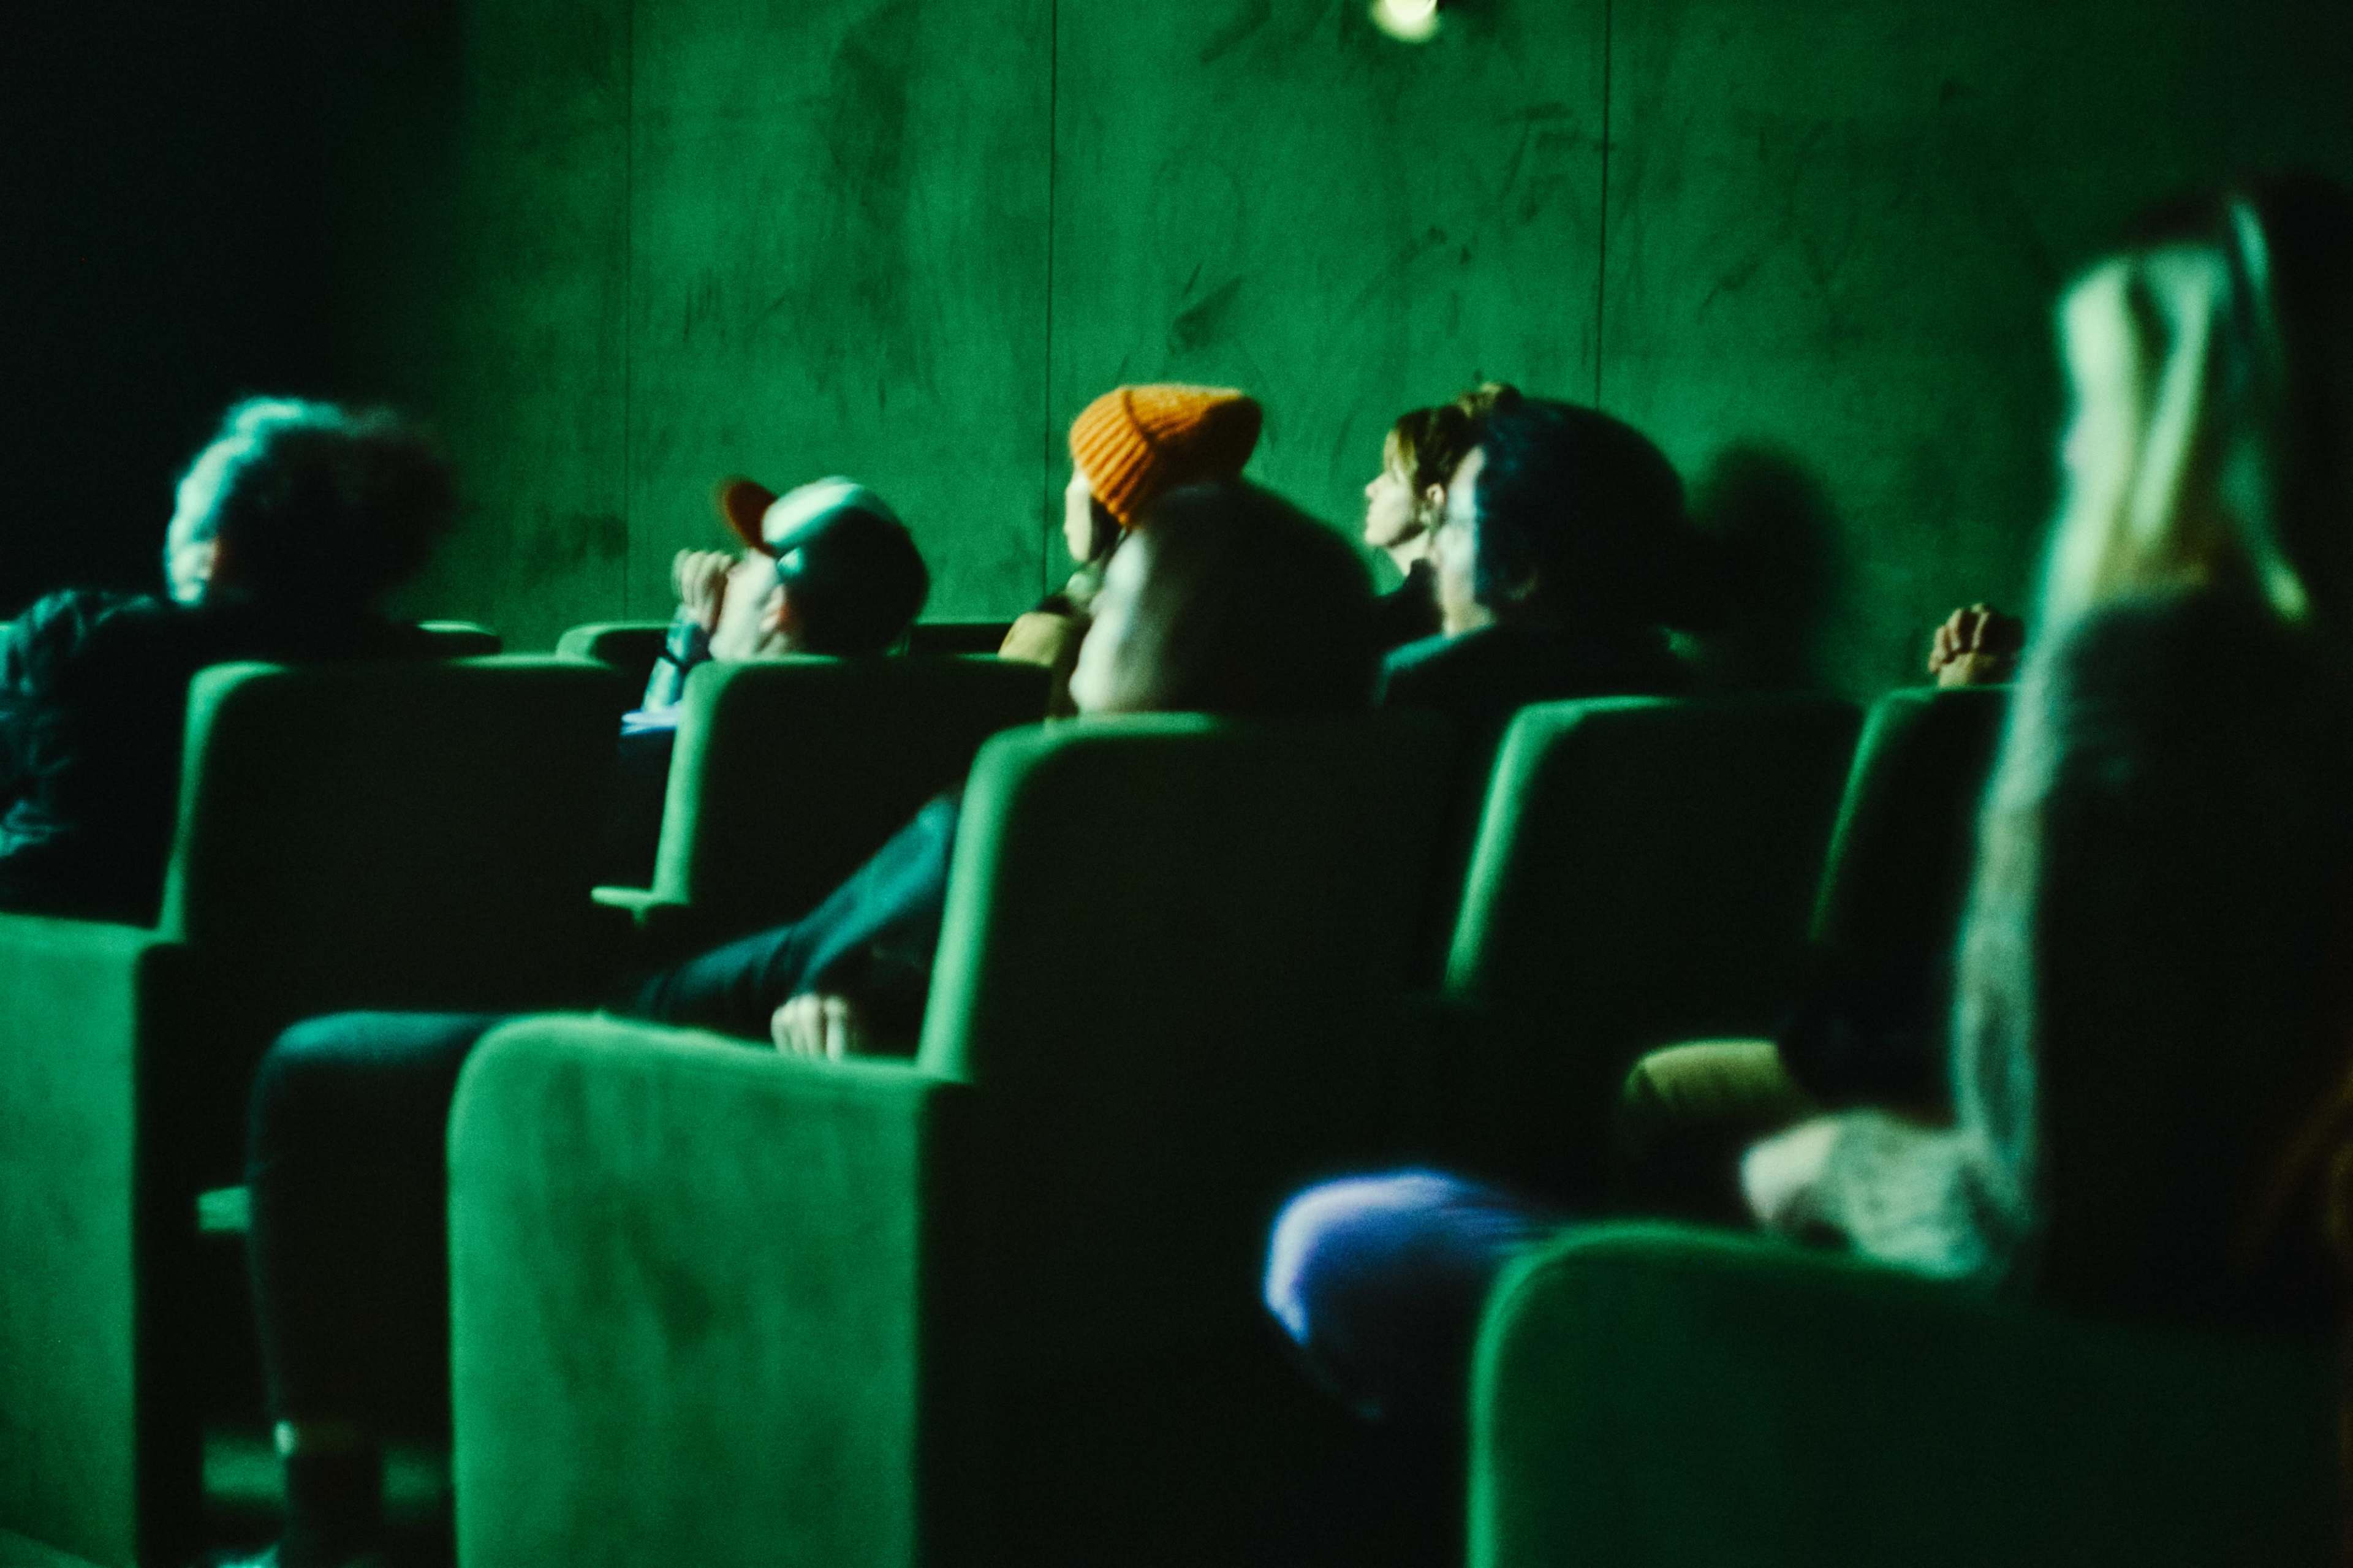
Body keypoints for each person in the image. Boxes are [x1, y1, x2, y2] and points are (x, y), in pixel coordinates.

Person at [1263, 174, 2353, 1442]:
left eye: (2104, 404)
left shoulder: (2135, 681)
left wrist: (1831, 1165)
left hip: (2051, 1381)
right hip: (2246, 1356)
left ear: (2199, 436)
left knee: (1341, 1235)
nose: (2068, 450)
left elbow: (2044, 1225)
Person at [222, 478, 1373, 1568]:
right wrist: (880, 1004)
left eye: (1116, 598)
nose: (1085, 624)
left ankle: (328, 1524)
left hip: (678, 1070)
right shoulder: (1276, 808)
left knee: (308, 1071)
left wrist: (872, 1041)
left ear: (1184, 628)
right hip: (770, 1050)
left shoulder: (1062, 797)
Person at [0, 398, 455, 923]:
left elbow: (54, 864)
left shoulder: (87, 640)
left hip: (77, 955)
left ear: (217, 552)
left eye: (183, 515)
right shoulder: (423, 667)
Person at [601, 475, 931, 884]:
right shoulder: (899, 732)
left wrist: (687, 638)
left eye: (748, 559)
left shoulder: (695, 737)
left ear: (780, 605)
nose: (730, 573)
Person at [1377, 395, 1703, 740]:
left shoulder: (1411, 694)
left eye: (1455, 525)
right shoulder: (1688, 702)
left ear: (1519, 572)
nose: (1435, 549)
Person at [998, 384, 1264, 714]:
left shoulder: (1054, 638)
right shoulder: (1246, 642)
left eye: (1083, 471)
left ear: (1111, 508)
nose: (1069, 493)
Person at [1363, 384, 1517, 651]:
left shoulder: (1384, 626)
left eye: (1392, 476)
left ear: (1433, 497)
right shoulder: (1498, 605)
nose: (1371, 488)